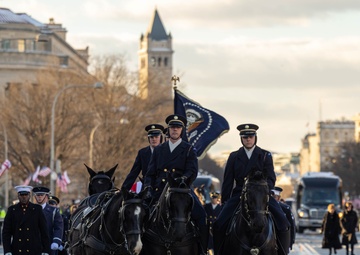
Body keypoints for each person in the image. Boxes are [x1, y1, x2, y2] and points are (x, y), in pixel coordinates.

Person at [213, 123, 291, 255]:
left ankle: (283, 252)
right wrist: (225, 201)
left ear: (255, 137)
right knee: (219, 224)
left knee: (283, 222)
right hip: (239, 195)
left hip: (261, 195)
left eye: (250, 136)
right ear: (241, 138)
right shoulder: (234, 156)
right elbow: (228, 181)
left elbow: (271, 177)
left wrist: (266, 191)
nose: (248, 139)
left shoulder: (265, 155)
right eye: (245, 137)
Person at [144, 114, 208, 255]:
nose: (175, 130)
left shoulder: (189, 149)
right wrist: (148, 188)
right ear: (168, 130)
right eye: (172, 127)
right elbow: (150, 173)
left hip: (182, 189)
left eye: (178, 127)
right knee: (138, 214)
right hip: (159, 190)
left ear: (182, 130)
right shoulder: (159, 149)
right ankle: (135, 249)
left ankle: (203, 250)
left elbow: (192, 171)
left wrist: (183, 179)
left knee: (201, 216)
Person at [2, 185, 50, 255]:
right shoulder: (12, 210)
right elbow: (6, 232)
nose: (24, 197)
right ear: (18, 196)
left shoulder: (37, 209)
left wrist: (46, 250)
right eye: (22, 195)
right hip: (17, 249)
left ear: (29, 196)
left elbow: (44, 231)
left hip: (34, 250)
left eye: (26, 195)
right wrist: (7, 250)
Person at [121, 124, 164, 191]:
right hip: (146, 187)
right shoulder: (143, 153)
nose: (154, 139)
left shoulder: (166, 151)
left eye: (156, 137)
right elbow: (134, 172)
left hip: (162, 187)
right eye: (151, 137)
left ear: (160, 137)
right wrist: (124, 189)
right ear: (148, 138)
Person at [33, 187, 64, 255]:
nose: (39, 197)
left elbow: (58, 227)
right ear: (35, 196)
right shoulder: (30, 210)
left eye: (42, 195)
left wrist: (56, 241)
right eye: (38, 195)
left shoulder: (53, 210)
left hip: (48, 244)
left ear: (46, 196)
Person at [271, 186, 296, 250]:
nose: (272, 199)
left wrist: (290, 243)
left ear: (278, 198)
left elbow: (291, 226)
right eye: (270, 197)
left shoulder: (285, 209)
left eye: (274, 197)